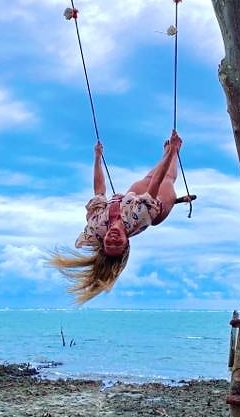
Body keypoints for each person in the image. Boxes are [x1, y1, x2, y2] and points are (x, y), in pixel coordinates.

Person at [49, 130, 187, 303]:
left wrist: (97, 157)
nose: (113, 238)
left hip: (127, 202)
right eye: (118, 243)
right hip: (157, 208)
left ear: (102, 240)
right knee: (166, 178)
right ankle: (174, 151)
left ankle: (168, 153)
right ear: (126, 243)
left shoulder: (97, 225)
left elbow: (99, 190)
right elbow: (155, 185)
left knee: (145, 179)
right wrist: (173, 151)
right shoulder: (137, 217)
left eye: (108, 242)